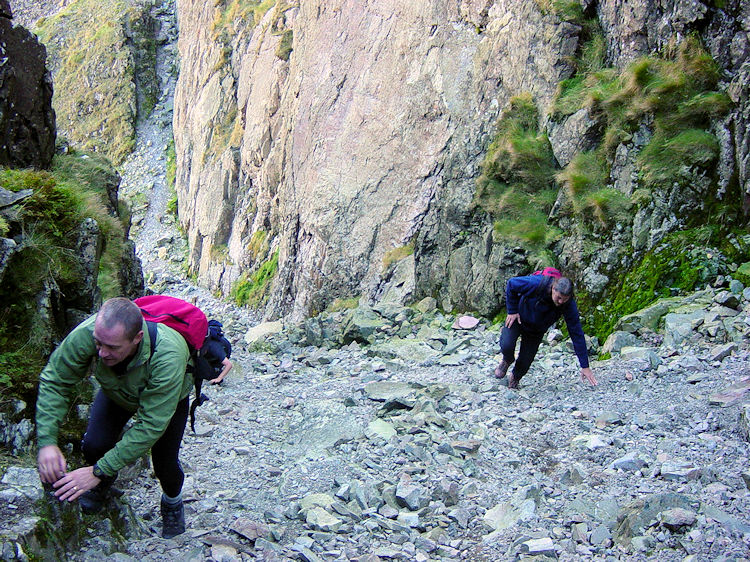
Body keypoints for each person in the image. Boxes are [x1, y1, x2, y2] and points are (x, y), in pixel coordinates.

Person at [35, 297, 192, 539]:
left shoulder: (168, 356)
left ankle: (172, 502)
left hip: (168, 397)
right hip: (117, 390)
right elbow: (56, 379)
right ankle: (103, 486)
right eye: (98, 344)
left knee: (165, 464)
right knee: (94, 444)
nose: (102, 352)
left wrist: (96, 471)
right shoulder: (93, 332)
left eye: (112, 347)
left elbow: (150, 426)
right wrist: (47, 442)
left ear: (137, 338)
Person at [493, 274, 597, 389]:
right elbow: (512, 283)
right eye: (558, 297)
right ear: (553, 289)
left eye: (564, 299)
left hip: (536, 330)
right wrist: (512, 310)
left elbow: (576, 333)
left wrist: (585, 366)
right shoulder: (536, 283)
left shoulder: (568, 305)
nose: (561, 301)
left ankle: (515, 377)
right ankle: (507, 360)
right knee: (507, 345)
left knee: (525, 361)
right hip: (518, 318)